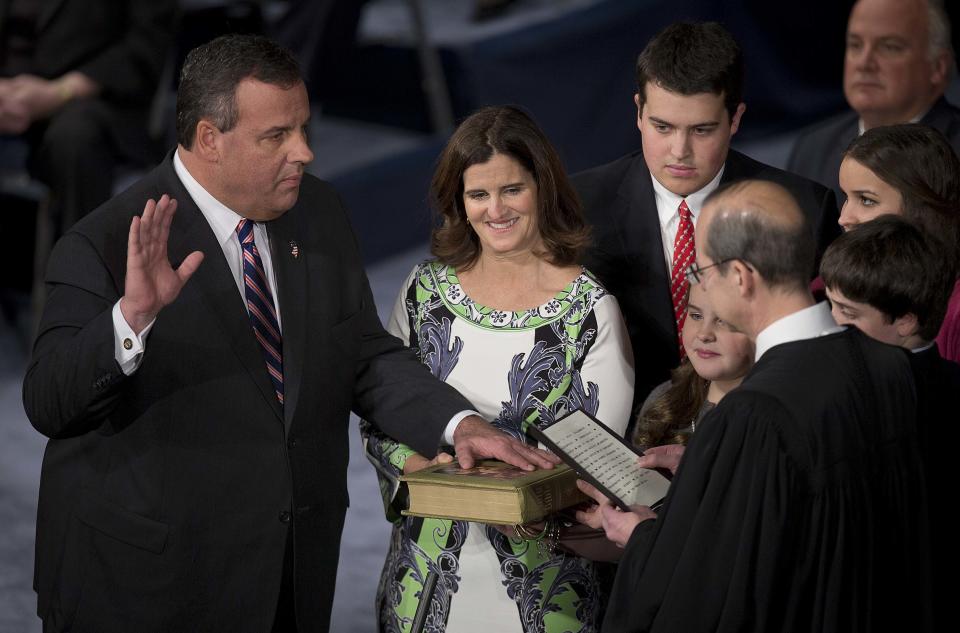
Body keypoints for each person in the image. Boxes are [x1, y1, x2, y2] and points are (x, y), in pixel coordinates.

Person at [21, 36, 557, 633]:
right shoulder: (104, 242)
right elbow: (49, 402)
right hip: (150, 587)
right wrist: (131, 319)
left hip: (289, 569)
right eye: (276, 136)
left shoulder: (318, 212)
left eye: (303, 128)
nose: (302, 151)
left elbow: (362, 351)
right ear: (209, 140)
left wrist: (460, 425)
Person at [578, 180, 932, 632]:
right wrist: (711, 472)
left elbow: (715, 596)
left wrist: (644, 536)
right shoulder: (892, 367)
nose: (698, 283)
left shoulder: (753, 415)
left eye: (701, 270)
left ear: (741, 277)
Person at [361, 105, 634, 632]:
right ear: (459, 204)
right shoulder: (423, 293)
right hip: (422, 586)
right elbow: (380, 417)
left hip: (549, 593)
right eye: (478, 194)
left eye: (512, 189)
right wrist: (418, 472)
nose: (496, 210)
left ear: (543, 188)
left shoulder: (591, 310)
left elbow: (598, 463)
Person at [573, 21, 838, 425]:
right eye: (663, 127)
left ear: (735, 119)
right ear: (639, 112)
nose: (680, 151)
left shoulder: (802, 208)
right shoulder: (579, 206)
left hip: (759, 431)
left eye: (701, 130)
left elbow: (818, 359)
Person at [820, 214, 959, 628]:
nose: (831, 324)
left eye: (847, 312)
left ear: (905, 321)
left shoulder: (861, 403)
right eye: (830, 305)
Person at [0, 0, 177, 232]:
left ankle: (78, 262)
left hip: (95, 99)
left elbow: (148, 41)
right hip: (6, 95)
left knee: (75, 137)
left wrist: (59, 92)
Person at [788, 0, 959, 201]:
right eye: (855, 45)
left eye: (889, 47)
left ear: (938, 67)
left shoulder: (953, 151)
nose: (864, 62)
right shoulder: (814, 148)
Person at [836, 123, 960, 361]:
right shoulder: (826, 285)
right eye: (846, 197)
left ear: (922, 209)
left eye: (866, 200)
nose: (844, 218)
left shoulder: (955, 312)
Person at [633, 283, 754, 450]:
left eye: (723, 320)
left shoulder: (770, 421)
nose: (704, 334)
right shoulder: (664, 399)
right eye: (696, 316)